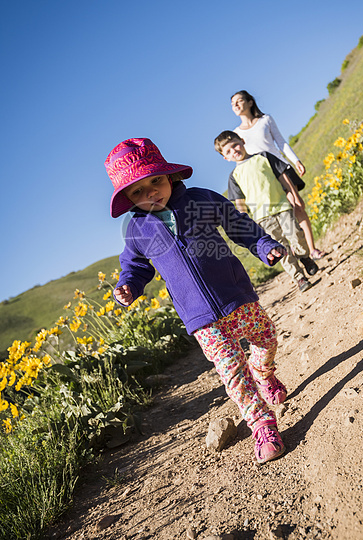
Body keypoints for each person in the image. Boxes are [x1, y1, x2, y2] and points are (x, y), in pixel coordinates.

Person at [105, 137, 290, 464]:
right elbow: (134, 268)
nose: (150, 193)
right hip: (201, 319)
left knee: (267, 339)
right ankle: (261, 424)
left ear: (169, 176)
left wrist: (263, 246)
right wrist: (128, 287)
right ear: (127, 197)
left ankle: (264, 371)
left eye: (155, 181)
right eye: (138, 190)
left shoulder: (201, 200)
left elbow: (239, 225)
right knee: (232, 372)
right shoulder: (136, 230)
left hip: (236, 298)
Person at [214, 130, 318, 293]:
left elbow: (283, 176)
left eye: (235, 145)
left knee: (296, 235)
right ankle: (299, 278)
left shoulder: (264, 156)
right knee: (280, 247)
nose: (234, 150)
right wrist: (244, 221)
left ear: (242, 141)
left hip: (282, 206)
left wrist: (295, 195)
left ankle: (304, 256)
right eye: (228, 151)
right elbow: (240, 202)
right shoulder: (234, 176)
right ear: (225, 157)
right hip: (262, 217)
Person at [231, 90, 325, 260]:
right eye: (232, 104)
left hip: (280, 168)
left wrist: (295, 160)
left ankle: (312, 249)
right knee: (282, 215)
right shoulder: (236, 133)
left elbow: (281, 142)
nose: (235, 105)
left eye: (239, 101)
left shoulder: (266, 120)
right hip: (263, 176)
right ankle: (295, 253)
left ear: (250, 102)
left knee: (298, 205)